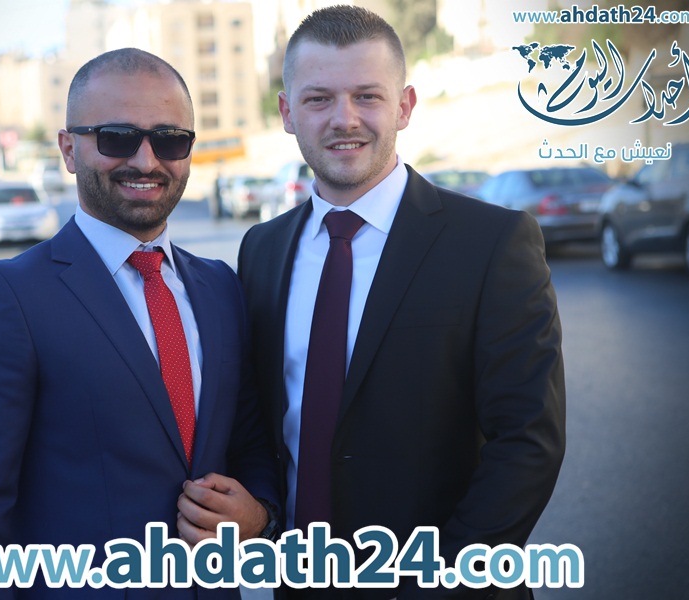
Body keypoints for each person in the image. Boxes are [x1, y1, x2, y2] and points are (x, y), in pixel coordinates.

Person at [237, 6, 566, 599]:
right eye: (318, 99)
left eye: (367, 96)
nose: (344, 118)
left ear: (405, 106)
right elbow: (266, 422)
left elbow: (528, 440)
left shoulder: (492, 242)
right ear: (287, 113)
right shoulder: (261, 249)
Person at [0, 48, 278, 599]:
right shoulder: (6, 296)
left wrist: (259, 516)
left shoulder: (221, 287)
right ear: (69, 149)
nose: (147, 160)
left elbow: (253, 445)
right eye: (118, 138)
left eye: (170, 140)